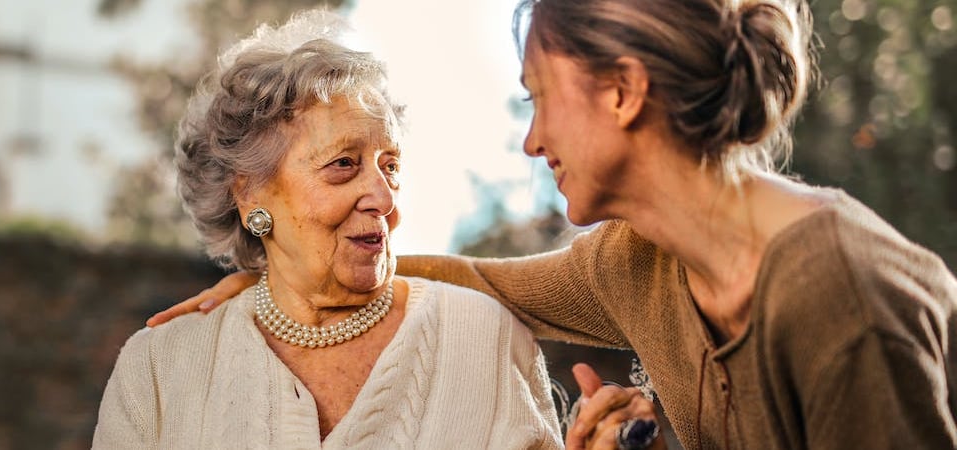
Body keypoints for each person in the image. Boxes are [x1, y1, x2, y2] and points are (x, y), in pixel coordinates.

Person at [146, 0, 957, 449]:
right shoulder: (635, 262)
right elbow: (474, 279)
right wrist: (277, 268)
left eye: (538, 95)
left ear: (623, 91)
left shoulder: (839, 296)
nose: (532, 139)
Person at [92, 10, 563, 449]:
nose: (384, 198)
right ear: (250, 194)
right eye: (343, 164)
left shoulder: (487, 339)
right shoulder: (158, 369)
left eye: (390, 165)